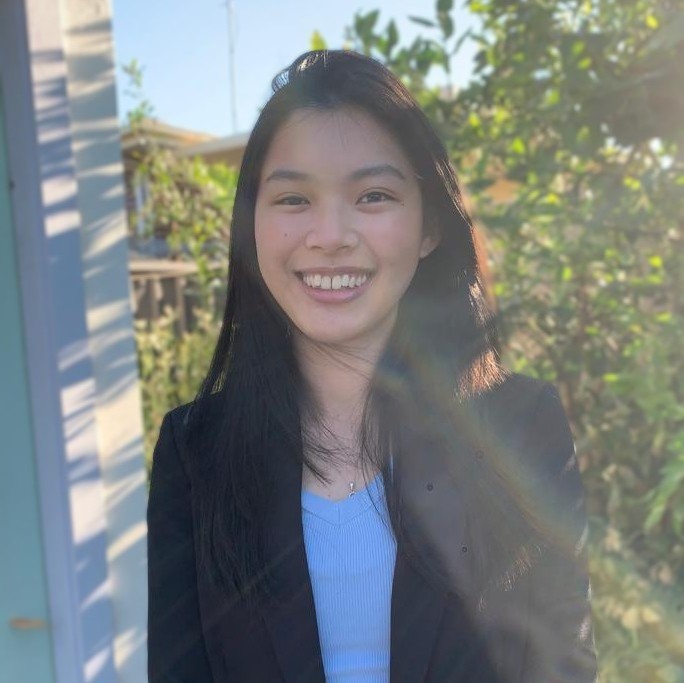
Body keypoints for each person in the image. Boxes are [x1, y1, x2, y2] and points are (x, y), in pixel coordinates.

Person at [147, 50, 597, 683]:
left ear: (429, 228)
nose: (330, 235)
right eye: (293, 198)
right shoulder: (196, 451)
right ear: (252, 228)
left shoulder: (520, 427)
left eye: (374, 195)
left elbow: (563, 667)